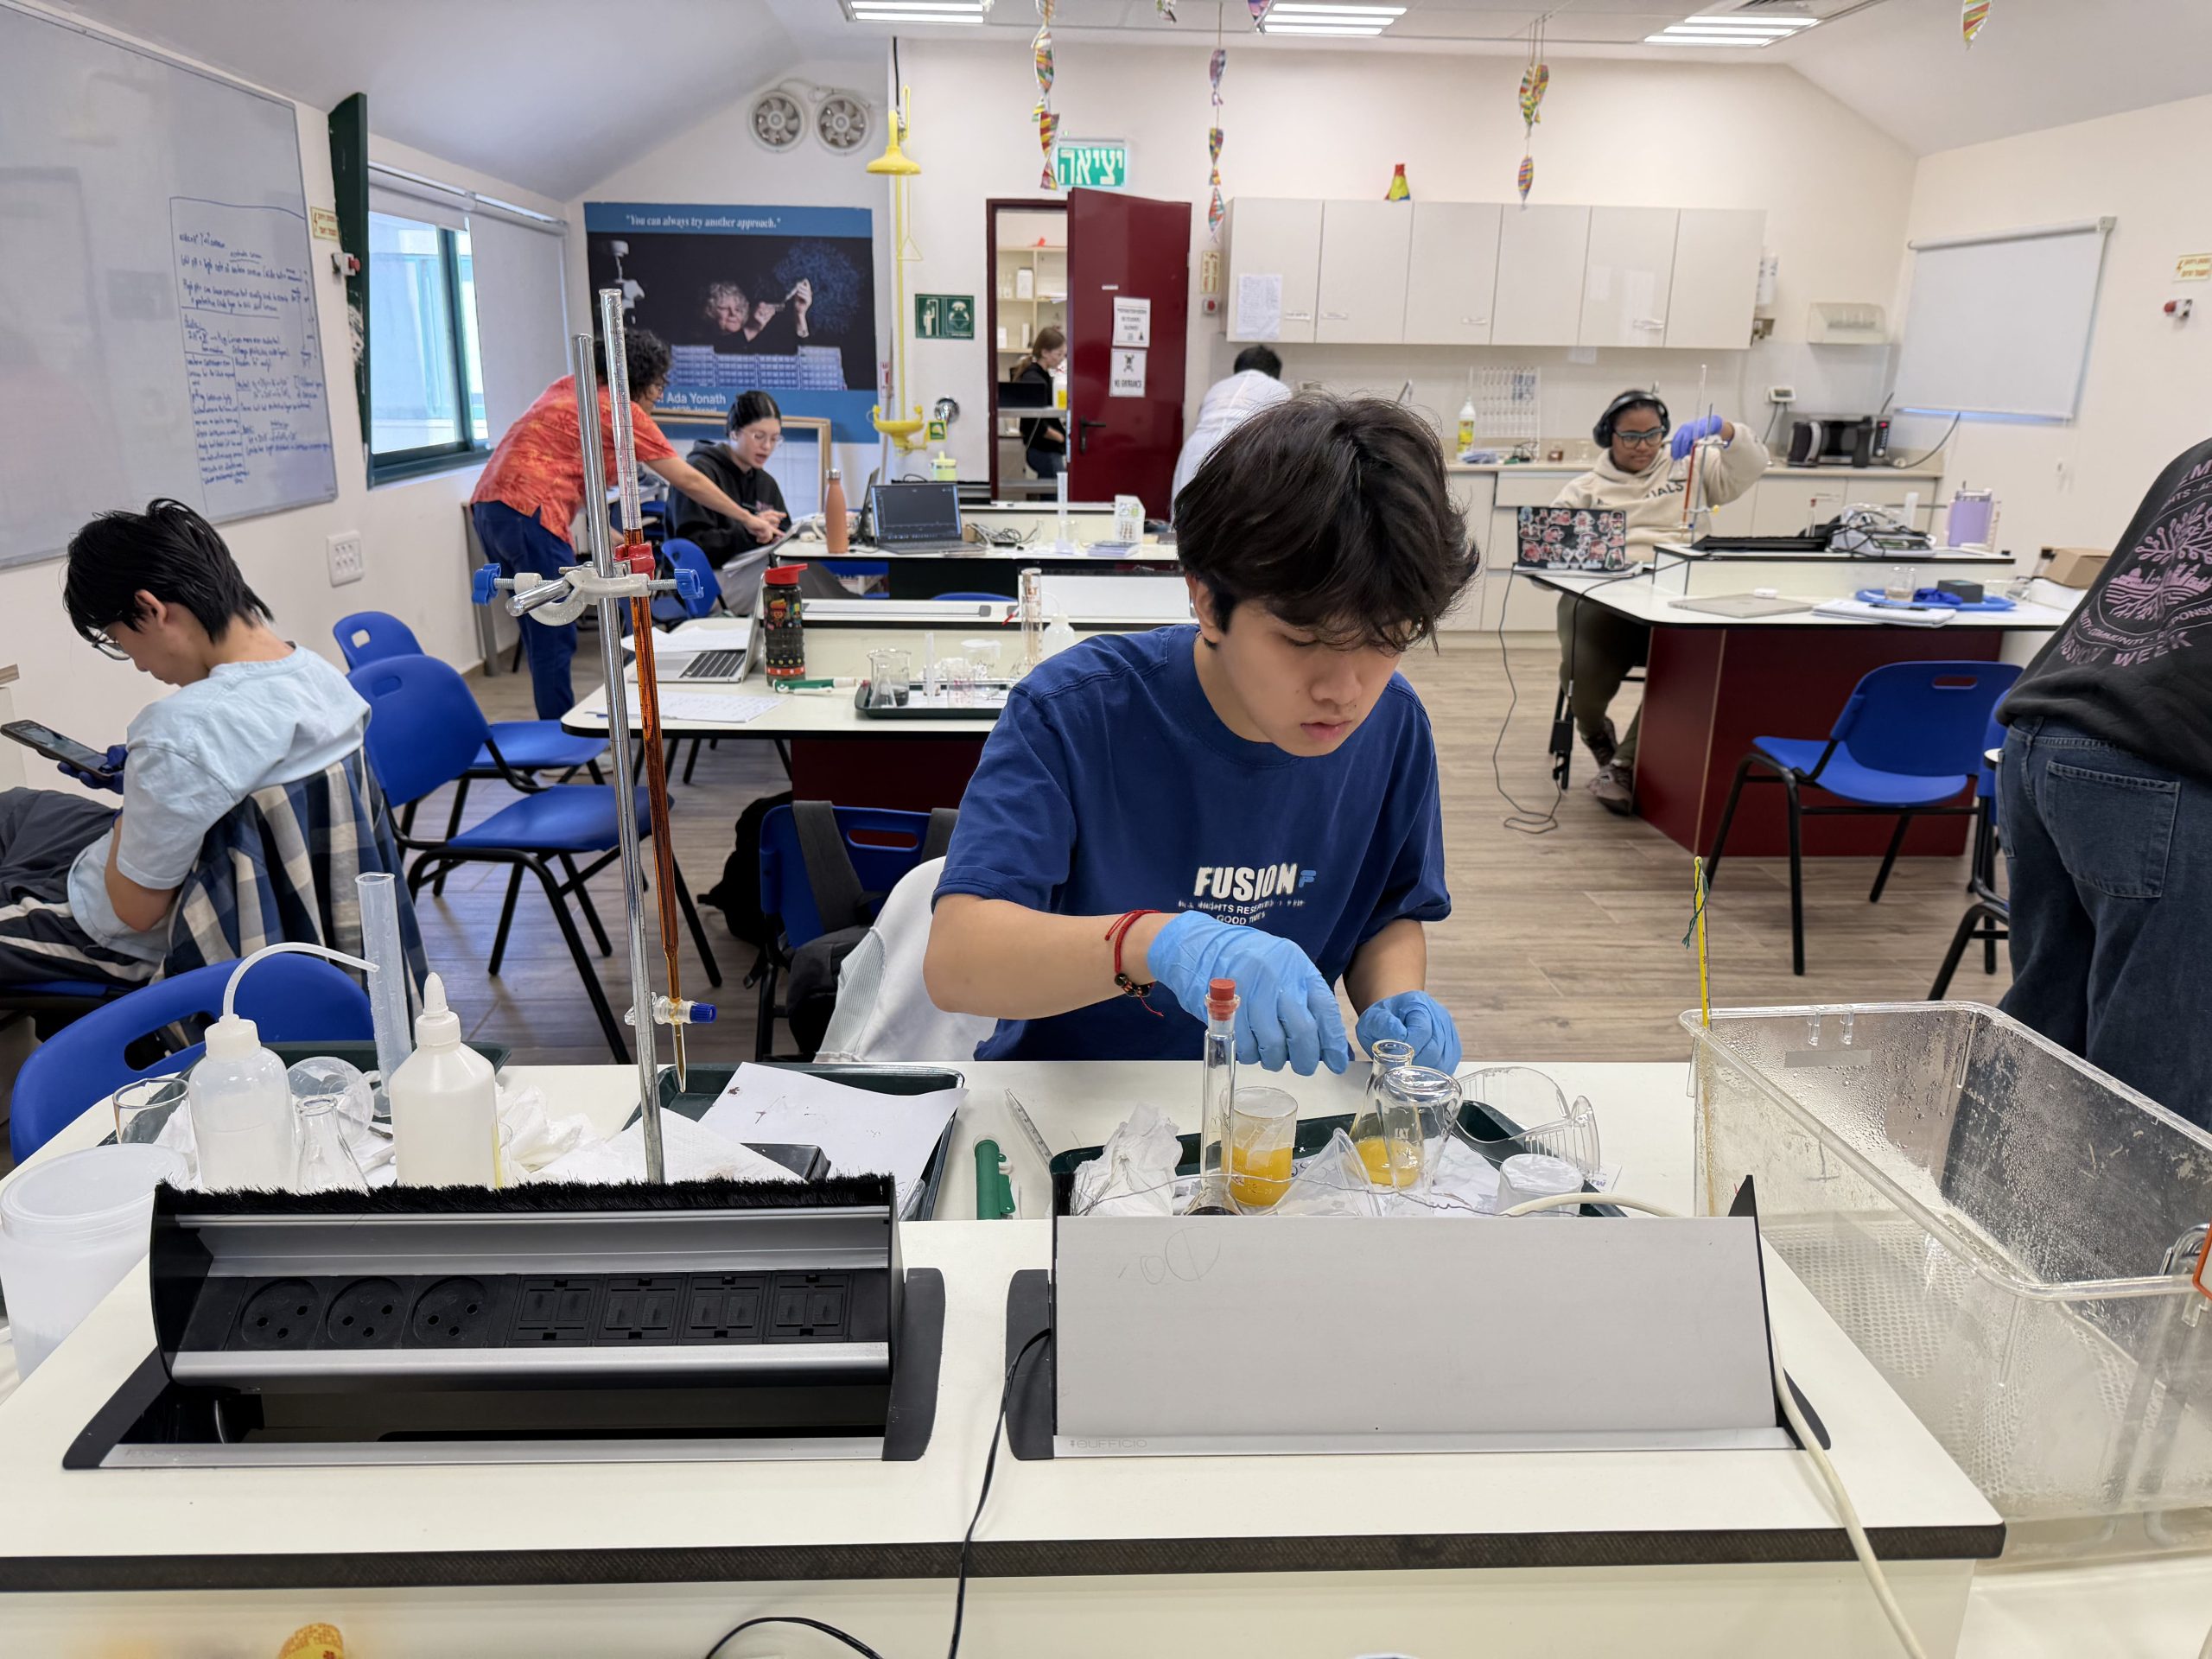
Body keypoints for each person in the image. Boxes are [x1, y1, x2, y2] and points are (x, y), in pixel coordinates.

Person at [925, 394, 1473, 1076]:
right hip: (1067, 1096)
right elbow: (958, 961)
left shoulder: (1392, 725)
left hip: (1267, 1102)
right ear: (1208, 602)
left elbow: (1385, 914)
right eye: (1304, 640)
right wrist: (1155, 944)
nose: (1345, 690)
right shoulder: (1073, 713)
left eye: (1386, 638)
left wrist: (1396, 1002)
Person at [0, 501, 368, 988]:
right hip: (186, 869)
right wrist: (152, 783)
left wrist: (147, 788)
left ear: (150, 608)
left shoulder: (178, 734)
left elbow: (133, 912)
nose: (135, 662)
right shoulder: (323, 680)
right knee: (17, 807)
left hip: (119, 933)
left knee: (21, 858)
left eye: (117, 640)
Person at [1995, 437, 2212, 1126]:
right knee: (2157, 1086)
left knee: (2044, 1036)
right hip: (2158, 763)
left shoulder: (2201, 454)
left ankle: (2001, 1191)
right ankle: (2122, 1206)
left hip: (2041, 736)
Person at [469, 329, 772, 720]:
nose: (659, 394)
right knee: (554, 630)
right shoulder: (619, 409)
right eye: (658, 384)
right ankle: (560, 737)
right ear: (639, 378)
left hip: (491, 507)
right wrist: (749, 519)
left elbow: (561, 465)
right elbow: (687, 480)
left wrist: (605, 534)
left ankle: (555, 728)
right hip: (529, 514)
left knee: (538, 626)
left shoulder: (569, 388)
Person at [1552, 391, 1768, 813]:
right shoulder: (1584, 490)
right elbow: (1548, 557)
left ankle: (1623, 766)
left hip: (1678, 592)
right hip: (1607, 599)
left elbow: (1752, 464)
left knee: (1686, 670)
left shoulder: (1691, 469)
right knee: (1583, 680)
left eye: (1653, 435)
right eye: (1631, 437)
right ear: (1608, 436)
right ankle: (1595, 733)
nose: (1644, 446)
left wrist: (1724, 429)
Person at [669, 390, 789, 572]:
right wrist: (749, 532)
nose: (767, 446)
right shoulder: (699, 474)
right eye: (758, 436)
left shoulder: (765, 482)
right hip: (702, 577)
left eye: (774, 439)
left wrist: (773, 533)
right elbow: (692, 548)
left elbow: (785, 529)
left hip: (748, 570)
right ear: (734, 433)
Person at [1172, 345, 1291, 508]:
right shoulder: (1279, 389)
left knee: (1188, 511)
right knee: (1232, 515)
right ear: (1275, 374)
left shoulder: (1217, 388)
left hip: (1196, 448)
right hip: (1243, 448)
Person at [1012, 327, 1068, 480]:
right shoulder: (1034, 380)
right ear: (1044, 353)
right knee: (1054, 492)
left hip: (1047, 448)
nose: (1061, 359)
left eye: (1064, 355)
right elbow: (1032, 422)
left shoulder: (1043, 376)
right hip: (1044, 449)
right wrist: (1060, 437)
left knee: (1052, 490)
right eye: (1058, 354)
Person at [704, 277, 811, 355]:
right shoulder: (704, 342)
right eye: (724, 308)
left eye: (738, 308)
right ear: (710, 311)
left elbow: (805, 360)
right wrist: (752, 329)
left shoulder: (765, 340)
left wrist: (800, 315)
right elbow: (726, 351)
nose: (733, 314)